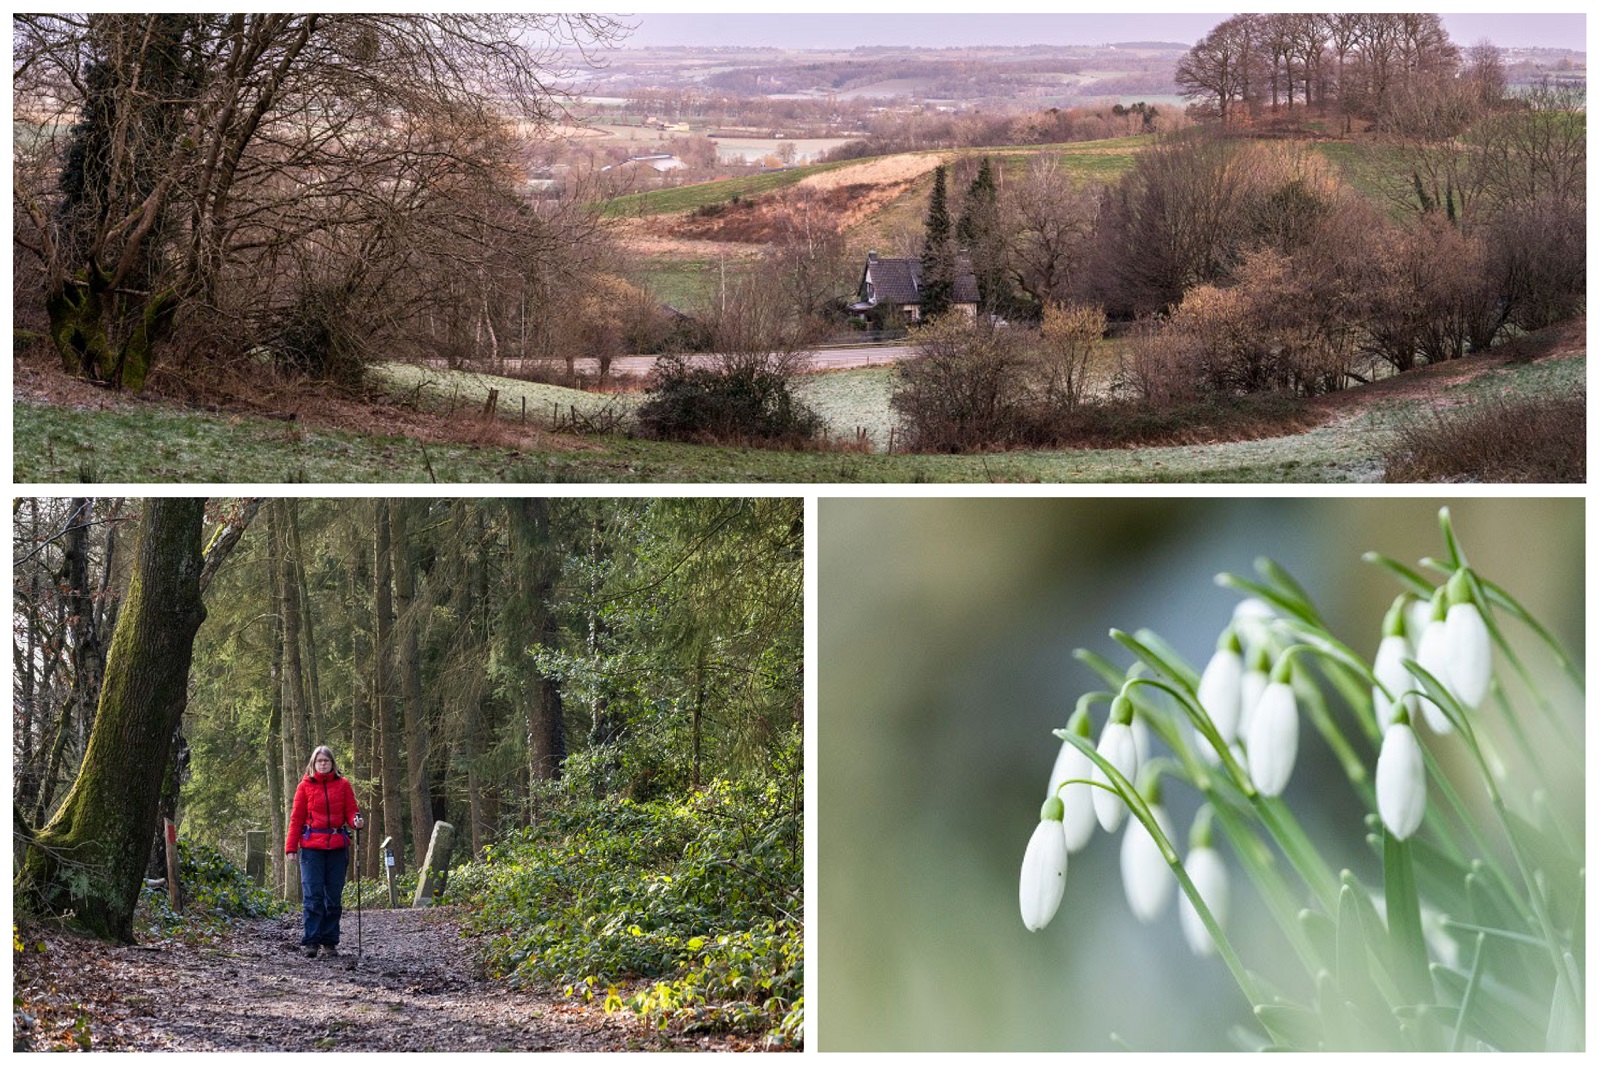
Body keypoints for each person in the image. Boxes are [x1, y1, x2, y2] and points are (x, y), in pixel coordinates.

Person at [285, 745, 364, 959]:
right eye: (319, 761)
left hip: (338, 847)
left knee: (334, 897)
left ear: (332, 764)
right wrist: (291, 847)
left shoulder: (343, 785)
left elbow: (350, 811)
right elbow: (296, 818)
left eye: (326, 761)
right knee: (313, 895)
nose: (323, 764)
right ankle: (311, 941)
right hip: (311, 848)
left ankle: (329, 942)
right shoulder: (304, 787)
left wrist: (356, 820)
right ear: (313, 764)